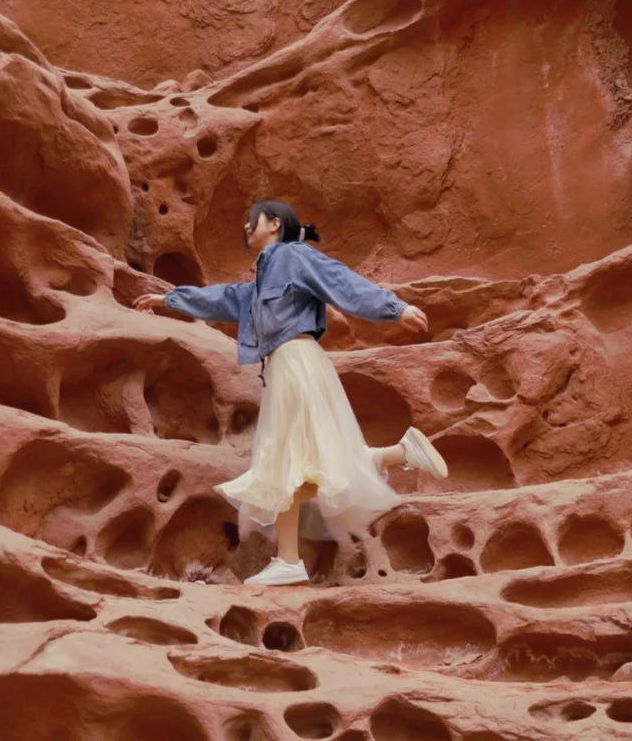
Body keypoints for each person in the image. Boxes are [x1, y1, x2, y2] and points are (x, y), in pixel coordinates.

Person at [134, 199, 447, 587]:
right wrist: (168, 299)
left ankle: (289, 561)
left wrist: (394, 308)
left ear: (275, 224)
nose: (246, 227)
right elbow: (224, 298)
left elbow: (339, 281)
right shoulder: (262, 279)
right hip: (287, 364)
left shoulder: (293, 256)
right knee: (305, 461)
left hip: (296, 360)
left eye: (252, 221)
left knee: (282, 459)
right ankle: (401, 453)